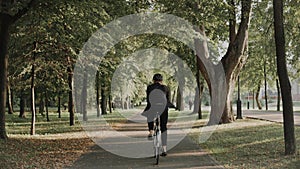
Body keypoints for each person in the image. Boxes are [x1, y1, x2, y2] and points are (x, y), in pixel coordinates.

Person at [142, 73, 177, 156]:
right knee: (163, 126)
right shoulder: (166, 88)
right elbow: (168, 100)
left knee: (149, 115)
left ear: (153, 80)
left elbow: (148, 99)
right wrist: (172, 106)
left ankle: (151, 131)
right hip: (163, 108)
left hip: (153, 107)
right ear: (162, 81)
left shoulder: (150, 87)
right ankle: (164, 149)